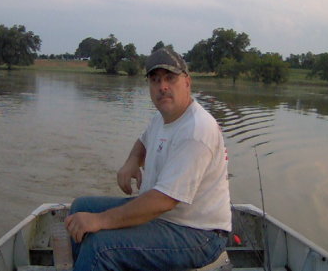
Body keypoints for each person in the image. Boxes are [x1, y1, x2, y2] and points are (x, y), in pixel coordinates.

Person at [65, 47, 231, 271]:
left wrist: (100, 221)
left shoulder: (197, 130)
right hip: (165, 217)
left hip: (198, 234)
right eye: (155, 80)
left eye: (170, 78)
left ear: (187, 82)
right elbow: (143, 142)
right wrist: (132, 161)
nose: (162, 86)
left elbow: (164, 201)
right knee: (80, 208)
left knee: (100, 246)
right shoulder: (162, 117)